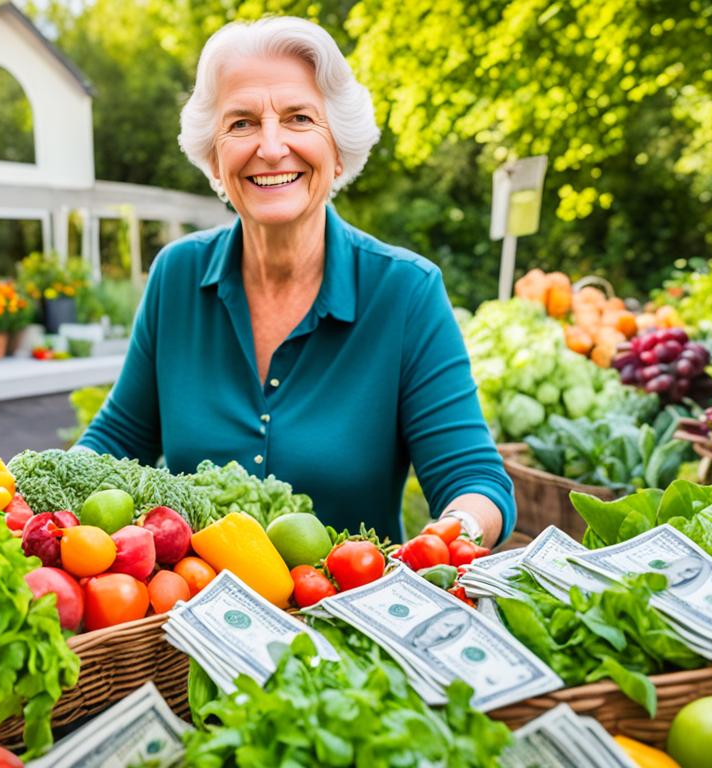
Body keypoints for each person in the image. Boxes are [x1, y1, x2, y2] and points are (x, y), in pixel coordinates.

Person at [76, 16, 514, 545]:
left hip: (349, 610)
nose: (271, 146)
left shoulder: (405, 292)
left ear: (339, 150)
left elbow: (475, 479)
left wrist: (453, 531)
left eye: (299, 118)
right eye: (240, 123)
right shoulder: (177, 275)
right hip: (190, 610)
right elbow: (118, 438)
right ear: (215, 160)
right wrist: (31, 492)